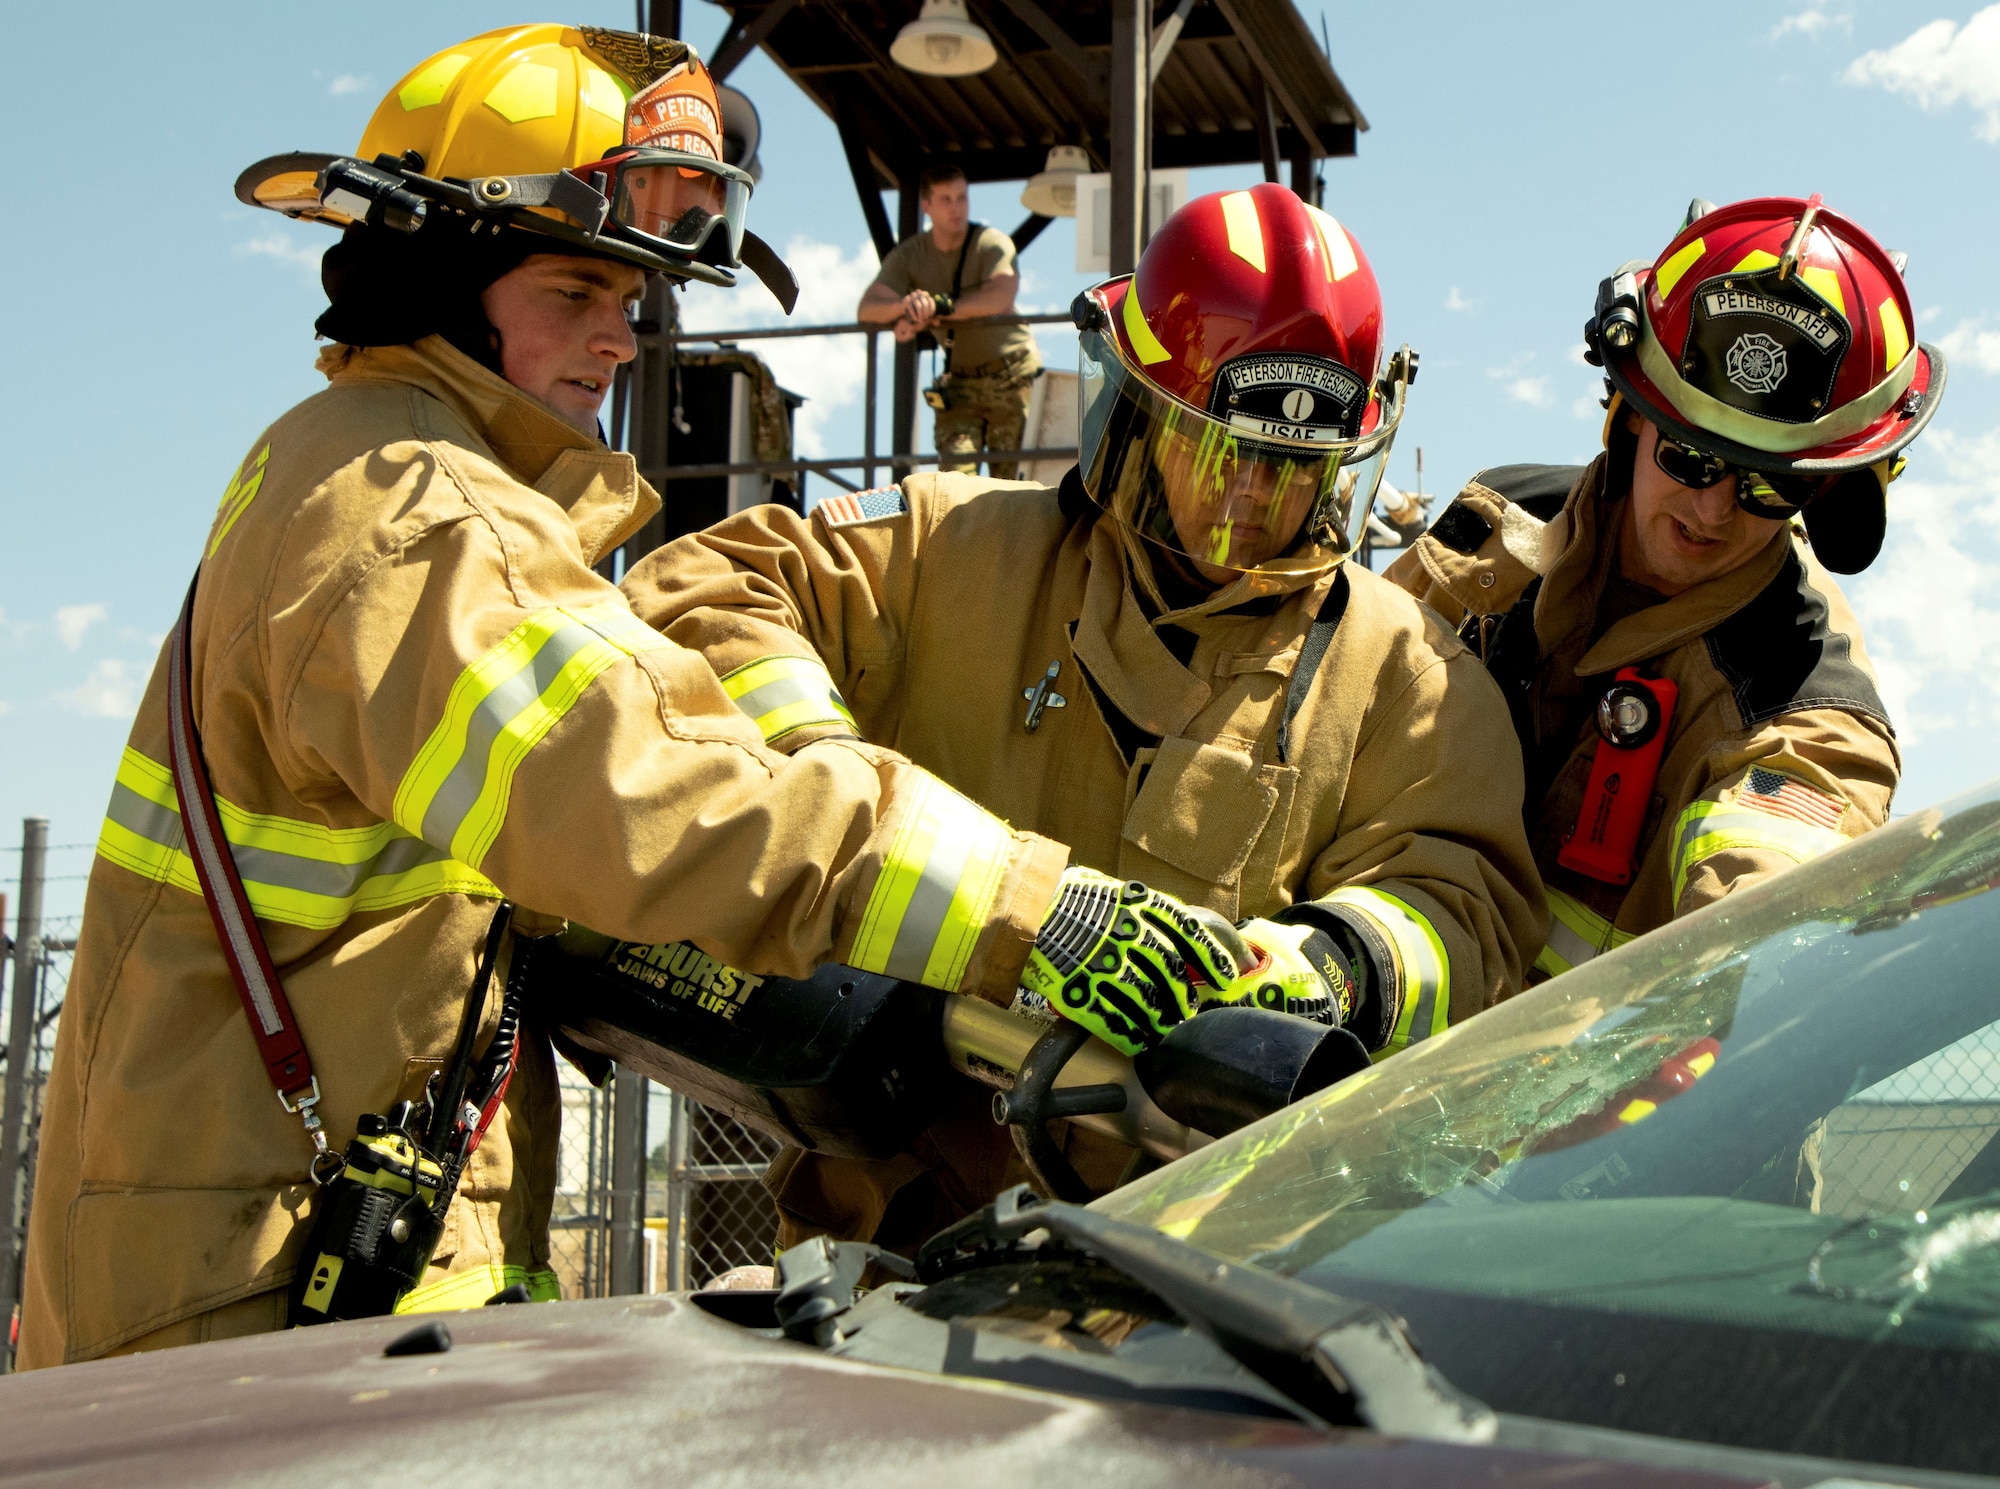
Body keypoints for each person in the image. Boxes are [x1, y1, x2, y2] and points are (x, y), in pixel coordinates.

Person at [18, 26, 1238, 1369]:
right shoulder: (423, 518)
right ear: (444, 275)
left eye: (633, 295)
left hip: (260, 1255)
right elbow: (660, 792)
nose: (623, 334)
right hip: (254, 1312)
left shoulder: (355, 461)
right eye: (573, 291)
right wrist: (1036, 911)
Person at [624, 184, 1547, 1253]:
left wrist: (1331, 967)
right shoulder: (952, 551)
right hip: (885, 1256)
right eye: (1221, 451)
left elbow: (1464, 912)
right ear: (1140, 409)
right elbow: (698, 595)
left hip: (1210, 1273)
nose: (1252, 494)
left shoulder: (1406, 674)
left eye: (1294, 464)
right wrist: (844, 796)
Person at [1387, 194, 1943, 979]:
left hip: (1602, 1100)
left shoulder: (1810, 706)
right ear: (1628, 413)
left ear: (1828, 495)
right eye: (1690, 455)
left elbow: (1764, 922)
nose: (1712, 507)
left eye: (1769, 485)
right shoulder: (1491, 524)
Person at [857, 164, 1040, 479]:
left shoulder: (990, 242)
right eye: (945, 199)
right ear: (926, 206)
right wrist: (907, 306)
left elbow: (1000, 297)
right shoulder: (911, 255)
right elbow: (867, 309)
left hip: (1013, 376)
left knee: (1013, 487)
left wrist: (935, 310)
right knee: (954, 483)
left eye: (961, 198)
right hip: (961, 385)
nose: (956, 207)